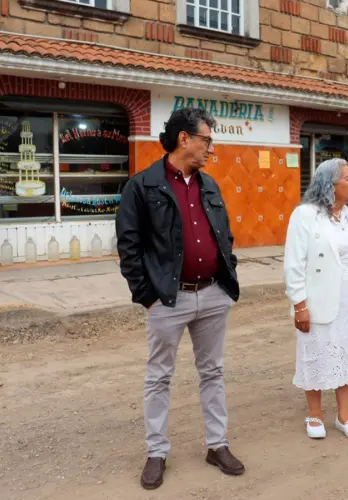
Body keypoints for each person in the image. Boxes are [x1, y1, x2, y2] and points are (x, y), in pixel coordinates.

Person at [115, 107, 244, 490]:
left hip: (213, 293)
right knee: (159, 376)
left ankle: (217, 445)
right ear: (184, 139)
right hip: (168, 300)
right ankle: (156, 452)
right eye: (207, 140)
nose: (211, 149)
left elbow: (224, 235)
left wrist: (227, 276)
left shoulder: (210, 185)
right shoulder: (142, 186)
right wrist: (147, 295)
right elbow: (128, 246)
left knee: (213, 372)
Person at [283, 158, 348, 440]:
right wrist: (300, 305)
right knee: (315, 352)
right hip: (319, 299)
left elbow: (347, 251)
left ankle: (343, 416)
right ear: (329, 184)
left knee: (347, 353)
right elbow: (294, 264)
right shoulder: (305, 215)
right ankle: (314, 415)